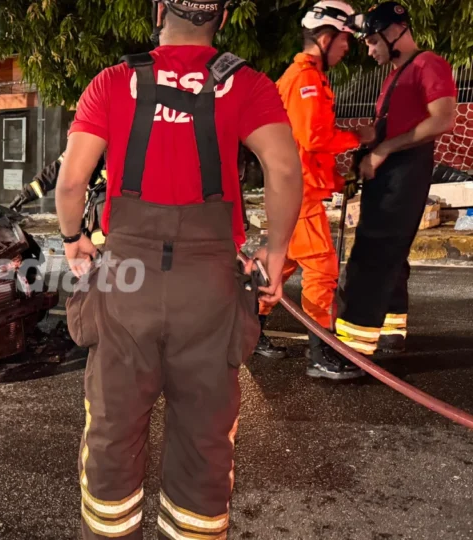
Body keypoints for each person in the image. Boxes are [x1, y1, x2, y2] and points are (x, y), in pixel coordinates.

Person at [56, 0, 303, 536]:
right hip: (210, 283)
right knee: (204, 441)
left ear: (160, 9)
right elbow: (284, 170)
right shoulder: (247, 84)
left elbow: (72, 182)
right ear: (223, 17)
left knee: (112, 431)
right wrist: (276, 250)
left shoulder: (113, 81)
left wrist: (74, 240)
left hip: (127, 278)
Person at [316, 2, 457, 370]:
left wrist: (384, 150)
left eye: (372, 41)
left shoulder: (429, 64)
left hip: (404, 170)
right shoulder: (396, 74)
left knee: (373, 254)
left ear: (395, 32)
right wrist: (368, 148)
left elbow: (442, 119)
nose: (369, 49)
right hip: (390, 171)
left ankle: (352, 351)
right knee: (390, 251)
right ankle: (390, 331)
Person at [253, 1, 365, 364]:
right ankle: (321, 353)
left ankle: (247, 331)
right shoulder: (305, 80)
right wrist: (359, 136)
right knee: (321, 269)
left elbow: (304, 147)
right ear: (326, 39)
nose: (347, 47)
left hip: (295, 188)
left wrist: (337, 179)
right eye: (345, 39)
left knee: (281, 264)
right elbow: (313, 137)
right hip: (297, 193)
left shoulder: (306, 77)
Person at [9, 152, 108, 244]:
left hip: (105, 205)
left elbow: (63, 166)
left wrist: (27, 193)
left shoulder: (91, 140)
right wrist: (27, 193)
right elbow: (61, 166)